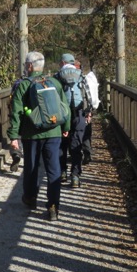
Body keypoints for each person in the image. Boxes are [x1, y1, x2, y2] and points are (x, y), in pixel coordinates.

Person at [7, 51, 70, 220]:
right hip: (54, 132)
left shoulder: (24, 85)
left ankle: (30, 198)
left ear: (29, 66)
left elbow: (16, 112)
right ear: (41, 66)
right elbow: (65, 107)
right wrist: (65, 126)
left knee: (32, 167)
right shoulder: (55, 82)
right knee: (54, 168)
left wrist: (14, 136)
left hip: (31, 134)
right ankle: (53, 206)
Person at [55, 53, 90, 188]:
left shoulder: (57, 77)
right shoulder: (81, 76)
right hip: (79, 113)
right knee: (77, 145)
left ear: (63, 63)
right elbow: (88, 95)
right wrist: (89, 112)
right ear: (73, 62)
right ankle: (75, 176)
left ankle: (62, 172)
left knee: (61, 144)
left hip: (62, 115)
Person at [79, 61, 100, 165]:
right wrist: (91, 111)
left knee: (78, 133)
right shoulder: (89, 79)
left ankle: (79, 154)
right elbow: (92, 97)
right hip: (88, 109)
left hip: (79, 110)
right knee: (87, 131)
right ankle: (87, 153)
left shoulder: (80, 80)